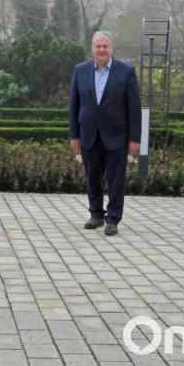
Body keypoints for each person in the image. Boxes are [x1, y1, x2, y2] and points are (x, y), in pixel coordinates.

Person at [69, 30, 141, 235]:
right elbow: (73, 104)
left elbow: (134, 108)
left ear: (112, 48)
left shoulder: (126, 71)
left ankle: (113, 219)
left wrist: (135, 138)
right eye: (98, 46)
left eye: (105, 46)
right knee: (92, 176)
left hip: (117, 136)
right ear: (92, 48)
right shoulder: (80, 70)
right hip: (88, 135)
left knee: (116, 179)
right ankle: (96, 215)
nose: (101, 50)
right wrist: (74, 134)